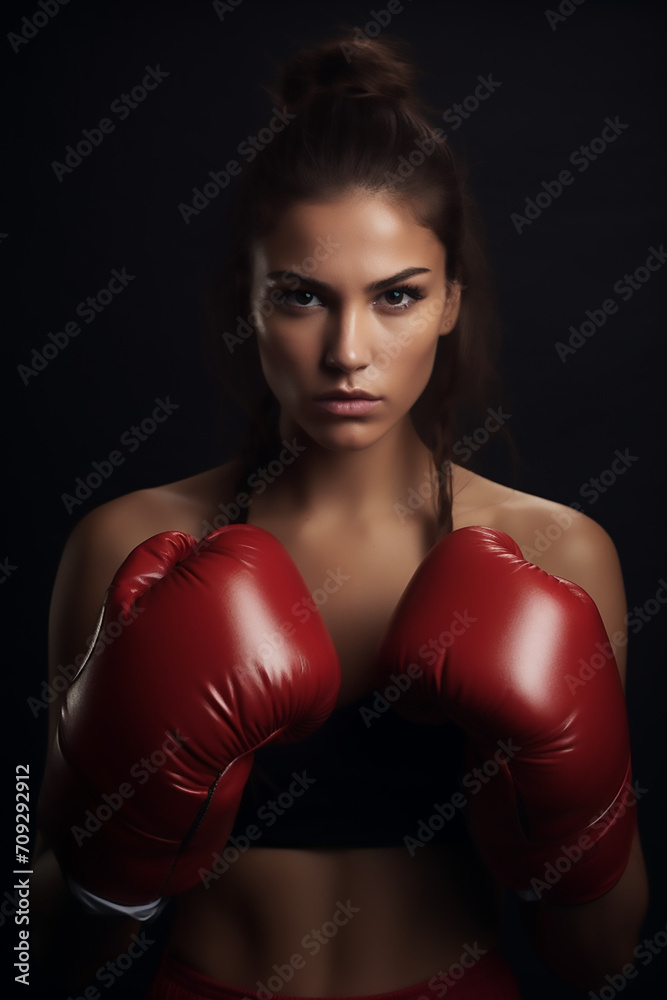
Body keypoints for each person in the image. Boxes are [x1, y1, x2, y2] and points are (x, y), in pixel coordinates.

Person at [33, 30, 649, 999]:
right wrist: (112, 871)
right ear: (249, 299)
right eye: (302, 297)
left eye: (396, 296)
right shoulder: (123, 545)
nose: (347, 350)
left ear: (450, 300)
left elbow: (604, 958)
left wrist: (575, 831)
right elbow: (35, 954)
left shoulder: (558, 550)